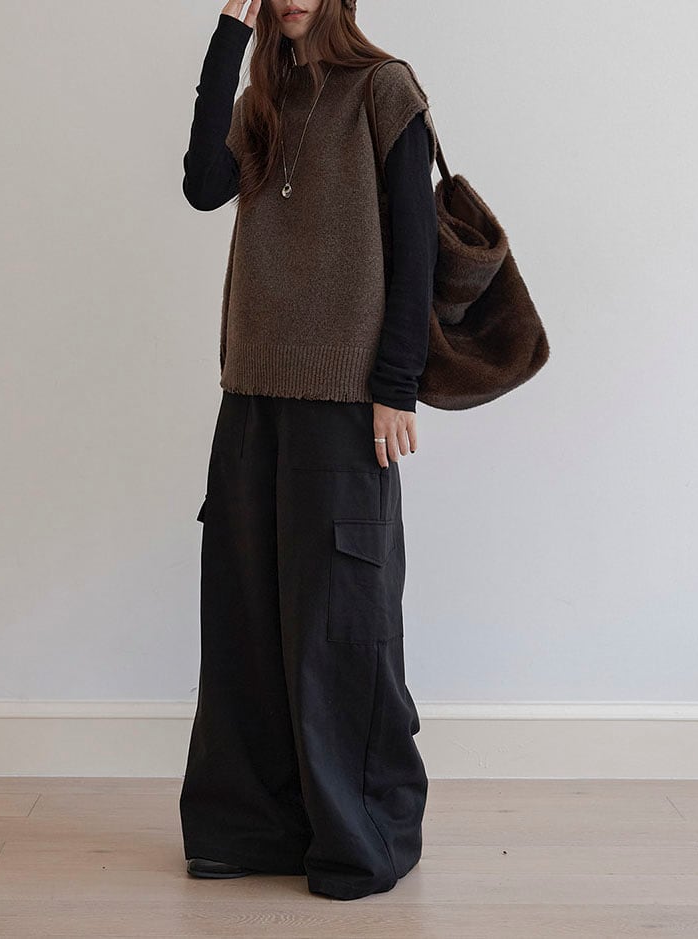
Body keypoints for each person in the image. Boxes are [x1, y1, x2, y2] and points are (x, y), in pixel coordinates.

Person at [178, 0, 438, 901]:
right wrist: (228, 36)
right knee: (245, 614)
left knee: (339, 624)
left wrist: (395, 384)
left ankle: (358, 834)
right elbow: (201, 185)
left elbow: (415, 245)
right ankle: (250, 827)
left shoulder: (384, 87)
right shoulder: (264, 96)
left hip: (344, 399)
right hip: (251, 389)